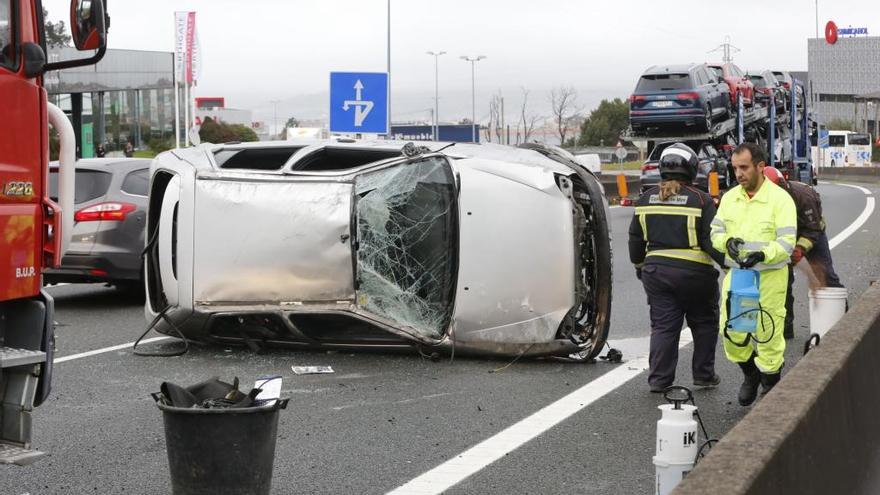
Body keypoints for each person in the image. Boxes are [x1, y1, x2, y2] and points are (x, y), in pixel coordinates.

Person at [629, 143, 726, 393]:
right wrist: (729, 264)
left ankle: (659, 380)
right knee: (704, 322)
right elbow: (709, 240)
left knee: (663, 326)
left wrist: (640, 265)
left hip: (657, 273)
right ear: (692, 169)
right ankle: (703, 375)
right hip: (696, 276)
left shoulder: (645, 197)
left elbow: (635, 239)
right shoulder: (701, 199)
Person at [710, 143, 797, 406]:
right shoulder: (729, 198)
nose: (739, 173)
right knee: (732, 332)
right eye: (735, 168)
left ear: (760, 166)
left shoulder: (780, 200)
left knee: (768, 335)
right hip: (738, 277)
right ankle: (751, 374)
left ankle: (770, 386)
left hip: (770, 277)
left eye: (744, 167)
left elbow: (786, 243)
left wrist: (763, 254)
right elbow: (715, 232)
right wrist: (727, 243)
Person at [763, 166, 845, 339]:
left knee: (825, 274)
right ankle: (785, 328)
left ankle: (844, 318)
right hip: (784, 238)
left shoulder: (803, 196)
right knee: (781, 282)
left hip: (812, 233)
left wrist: (799, 249)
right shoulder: (764, 198)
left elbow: (813, 229)